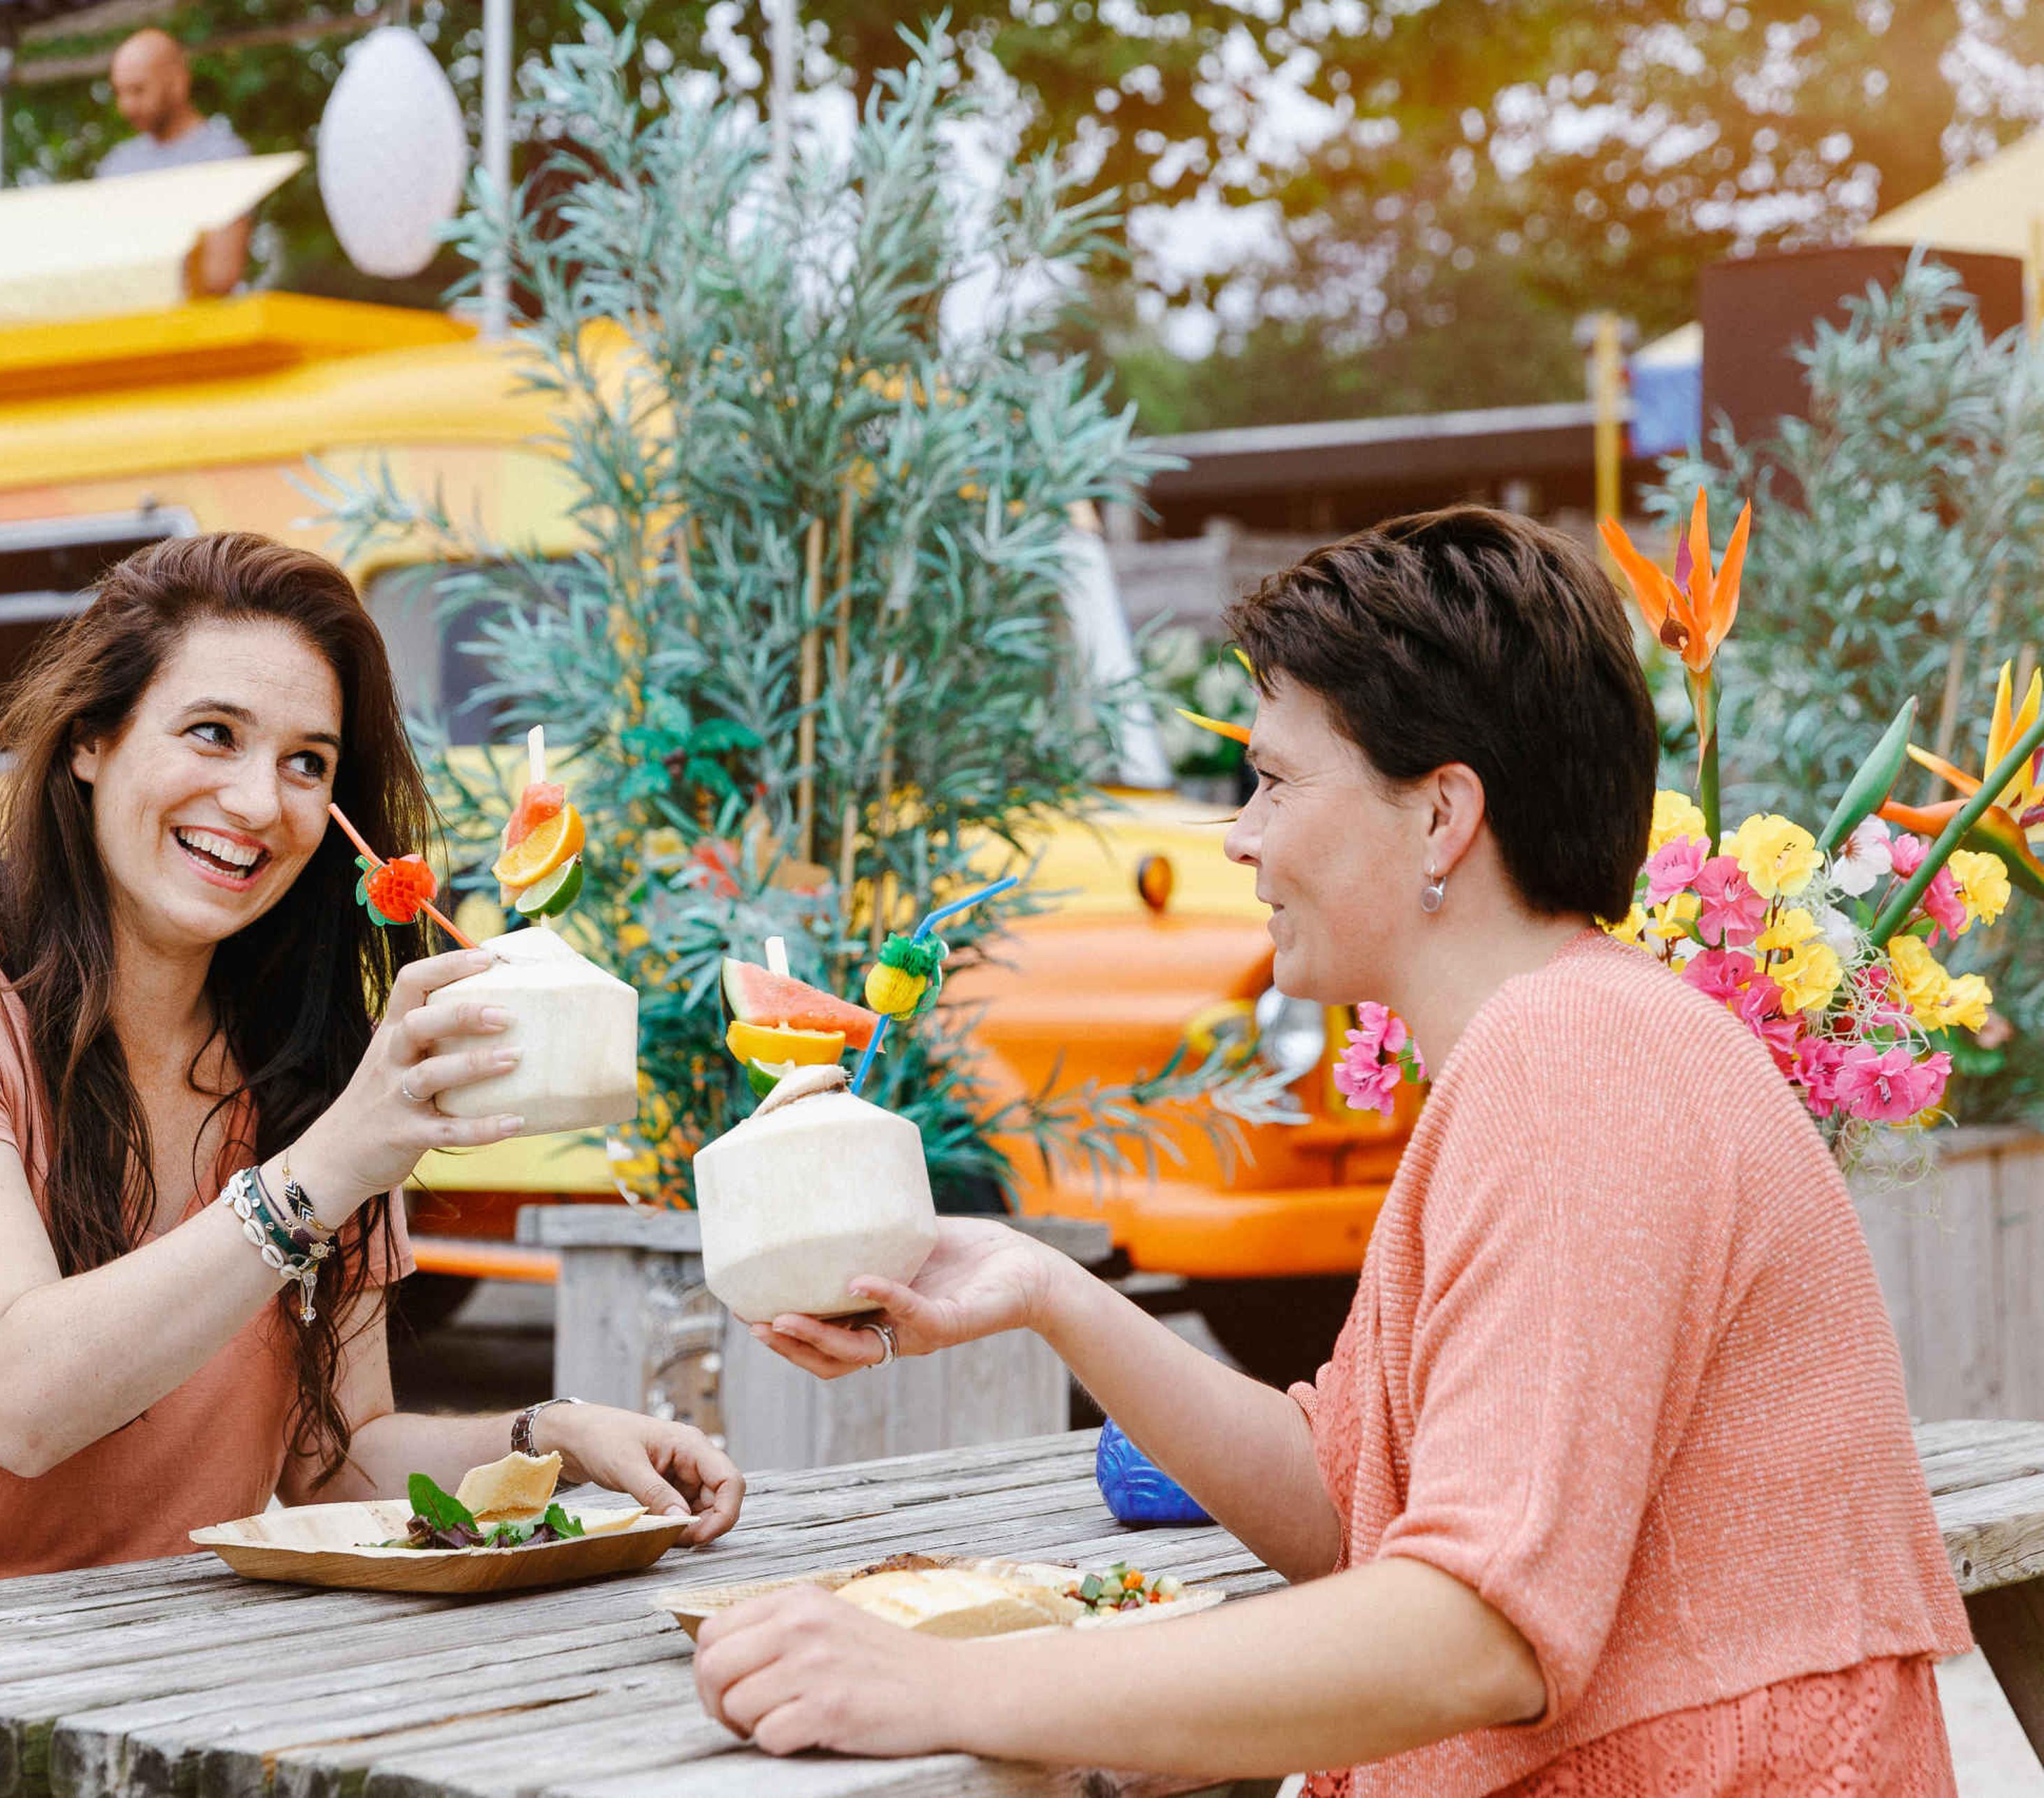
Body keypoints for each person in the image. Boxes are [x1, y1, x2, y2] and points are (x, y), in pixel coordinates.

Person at [699, 507, 1970, 1794]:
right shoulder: (1567, 1035)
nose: (1239, 837)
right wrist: (1046, 1293)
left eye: (1275, 781)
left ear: (1441, 818)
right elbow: (1345, 1500)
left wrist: (941, 1685)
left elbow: (1473, 1632)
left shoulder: (1578, 1063)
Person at [0, 534, 744, 1798]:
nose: (258, 801)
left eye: (306, 765)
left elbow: (337, 1456)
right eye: (211, 734)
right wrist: (322, 1171)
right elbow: (22, 1398)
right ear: (90, 741)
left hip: (117, 1699)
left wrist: (553, 1438)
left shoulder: (312, 1067)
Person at [97, 27, 252, 294]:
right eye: (120, 92)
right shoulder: (116, 166)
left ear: (177, 83)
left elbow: (221, 274)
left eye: (138, 90)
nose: (126, 106)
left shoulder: (223, 157)